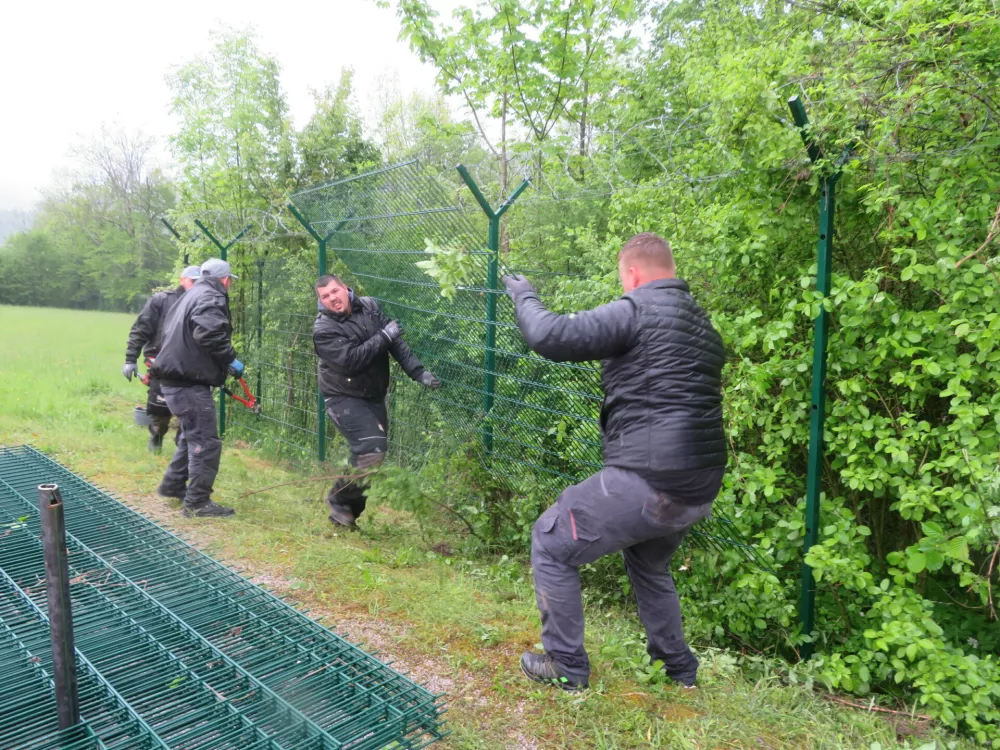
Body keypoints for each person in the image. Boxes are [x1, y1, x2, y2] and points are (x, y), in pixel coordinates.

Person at [502, 232, 726, 692]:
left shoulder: (637, 309)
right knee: (650, 564)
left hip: (650, 476)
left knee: (550, 542)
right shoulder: (703, 325)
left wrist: (524, 294)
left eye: (623, 278)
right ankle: (677, 668)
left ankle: (565, 664)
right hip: (700, 483)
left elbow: (549, 334)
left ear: (632, 273)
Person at [313, 274, 441, 529]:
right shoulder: (324, 330)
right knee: (372, 447)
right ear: (320, 301)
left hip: (373, 394)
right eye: (325, 296)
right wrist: (384, 335)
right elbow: (351, 361)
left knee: (374, 457)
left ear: (345, 289)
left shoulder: (370, 306)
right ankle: (338, 500)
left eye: (335, 292)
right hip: (342, 396)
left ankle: (347, 513)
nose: (332, 299)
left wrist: (418, 372)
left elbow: (396, 344)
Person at [149, 258, 245, 518]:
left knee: (193, 436)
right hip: (187, 381)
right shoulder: (211, 297)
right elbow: (209, 334)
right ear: (225, 280)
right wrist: (230, 359)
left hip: (174, 376)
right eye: (229, 282)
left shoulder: (190, 295)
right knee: (206, 441)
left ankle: (173, 485)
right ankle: (198, 503)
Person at [123, 266, 202, 451]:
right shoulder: (161, 300)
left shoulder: (203, 303)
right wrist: (130, 359)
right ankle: (156, 437)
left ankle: (182, 447)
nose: (196, 285)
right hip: (160, 363)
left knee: (190, 408)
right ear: (183, 279)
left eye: (200, 282)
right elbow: (140, 330)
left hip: (190, 365)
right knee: (160, 407)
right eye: (193, 281)